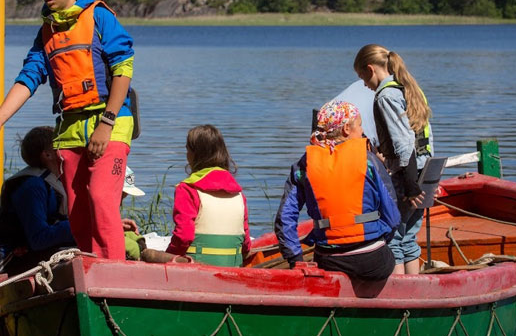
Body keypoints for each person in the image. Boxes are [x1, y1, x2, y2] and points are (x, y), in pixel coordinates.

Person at [0, 0, 135, 260]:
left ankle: (114, 275)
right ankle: (90, 274)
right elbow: (29, 77)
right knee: (78, 211)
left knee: (101, 199)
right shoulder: (46, 32)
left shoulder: (99, 17)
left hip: (110, 123)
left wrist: (107, 122)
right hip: (70, 129)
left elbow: (124, 68)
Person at [274, 101, 400, 281]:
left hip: (329, 260)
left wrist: (296, 259)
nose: (362, 130)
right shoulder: (369, 161)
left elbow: (284, 218)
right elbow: (393, 216)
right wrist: (381, 239)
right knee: (392, 256)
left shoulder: (304, 165)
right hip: (372, 261)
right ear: (347, 129)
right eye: (360, 125)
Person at [353, 44, 434, 275]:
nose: (364, 85)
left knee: (393, 237)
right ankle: (414, 292)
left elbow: (404, 143)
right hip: (426, 171)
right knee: (409, 237)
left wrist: (410, 187)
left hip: (408, 177)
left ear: (370, 69)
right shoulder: (409, 89)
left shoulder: (386, 96)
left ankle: (399, 295)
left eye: (362, 77)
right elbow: (419, 138)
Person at [0, 126, 76, 283]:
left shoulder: (51, 181)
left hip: (32, 252)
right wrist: (78, 228)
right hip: (8, 262)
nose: (69, 151)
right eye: (62, 146)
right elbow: (38, 238)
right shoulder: (32, 186)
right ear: (47, 154)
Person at [165, 125, 251, 266]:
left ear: (194, 154)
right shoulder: (238, 194)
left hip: (196, 269)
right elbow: (246, 242)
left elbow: (183, 236)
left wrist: (168, 256)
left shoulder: (187, 189)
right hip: (233, 268)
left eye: (187, 149)